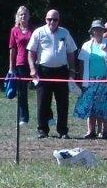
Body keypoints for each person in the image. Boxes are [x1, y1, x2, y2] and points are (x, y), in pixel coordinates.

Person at [27, 9, 77, 139]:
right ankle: (42, 130)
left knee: (63, 102)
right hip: (43, 71)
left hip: (61, 71)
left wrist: (72, 71)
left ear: (58, 21)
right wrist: (32, 69)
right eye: (50, 19)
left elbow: (71, 52)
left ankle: (63, 131)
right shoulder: (38, 32)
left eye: (55, 19)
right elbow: (31, 52)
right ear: (46, 19)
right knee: (43, 102)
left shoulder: (64, 33)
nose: (52, 22)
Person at [75, 20, 107, 138]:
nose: (98, 32)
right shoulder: (86, 45)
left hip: (105, 80)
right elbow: (81, 63)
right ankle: (91, 131)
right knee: (91, 105)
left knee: (104, 105)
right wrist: (80, 80)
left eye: (100, 29)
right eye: (96, 30)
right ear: (92, 31)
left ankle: (104, 131)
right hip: (90, 80)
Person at [7, 5, 34, 124]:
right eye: (21, 14)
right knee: (22, 92)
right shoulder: (14, 30)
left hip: (33, 63)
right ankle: (24, 118)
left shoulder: (33, 30)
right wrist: (11, 67)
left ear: (29, 16)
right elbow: (12, 49)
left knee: (42, 88)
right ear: (18, 16)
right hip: (20, 63)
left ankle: (48, 117)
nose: (23, 16)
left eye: (25, 14)